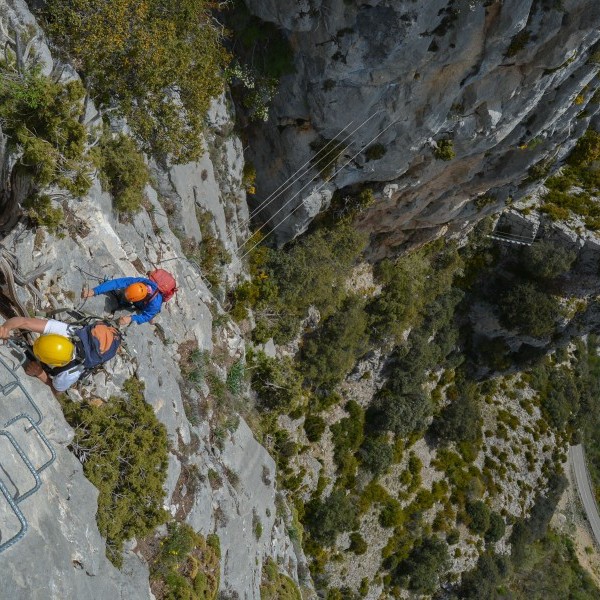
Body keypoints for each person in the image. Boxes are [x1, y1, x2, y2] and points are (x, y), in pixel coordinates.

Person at [0, 316, 121, 392]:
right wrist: (5, 327)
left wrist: (41, 374)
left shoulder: (70, 373)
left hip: (90, 355)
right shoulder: (64, 331)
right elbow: (24, 322)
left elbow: (57, 391)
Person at [82, 276, 163, 326]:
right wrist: (95, 291)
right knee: (120, 292)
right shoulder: (140, 282)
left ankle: (153, 317)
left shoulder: (155, 304)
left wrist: (131, 318)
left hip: (146, 306)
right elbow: (118, 282)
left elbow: (145, 316)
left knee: (149, 315)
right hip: (139, 299)